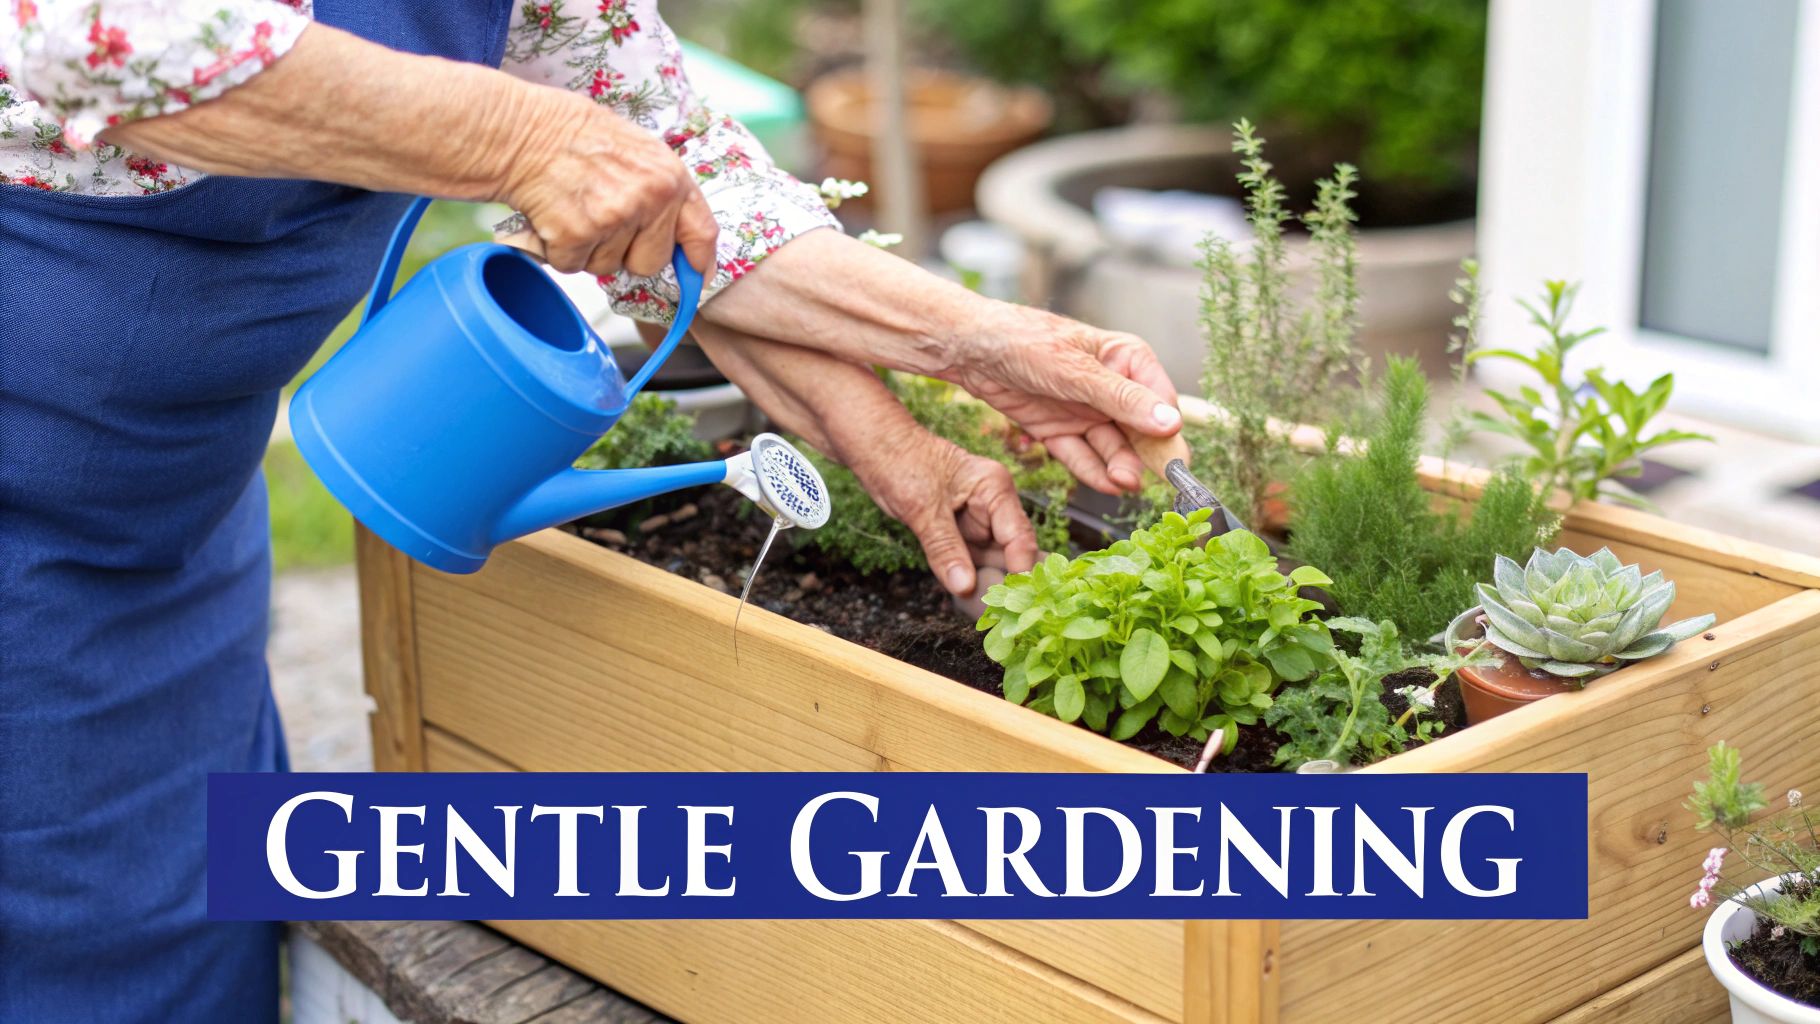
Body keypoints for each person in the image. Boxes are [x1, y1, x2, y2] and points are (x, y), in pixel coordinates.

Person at [0, 2, 1181, 1020]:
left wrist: (965, 353)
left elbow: (676, 183)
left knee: (171, 938)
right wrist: (522, 137)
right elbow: (105, 38)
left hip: (156, 518)